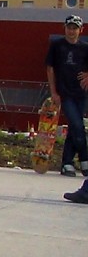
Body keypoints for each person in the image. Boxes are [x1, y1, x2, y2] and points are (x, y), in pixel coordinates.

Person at [45, 14, 88, 176]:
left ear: (80, 30)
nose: (71, 31)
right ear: (64, 28)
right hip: (65, 92)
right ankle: (85, 159)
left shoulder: (85, 48)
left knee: (74, 127)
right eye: (69, 28)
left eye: (75, 28)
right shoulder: (57, 45)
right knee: (77, 125)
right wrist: (53, 91)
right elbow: (50, 69)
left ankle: (67, 163)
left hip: (82, 93)